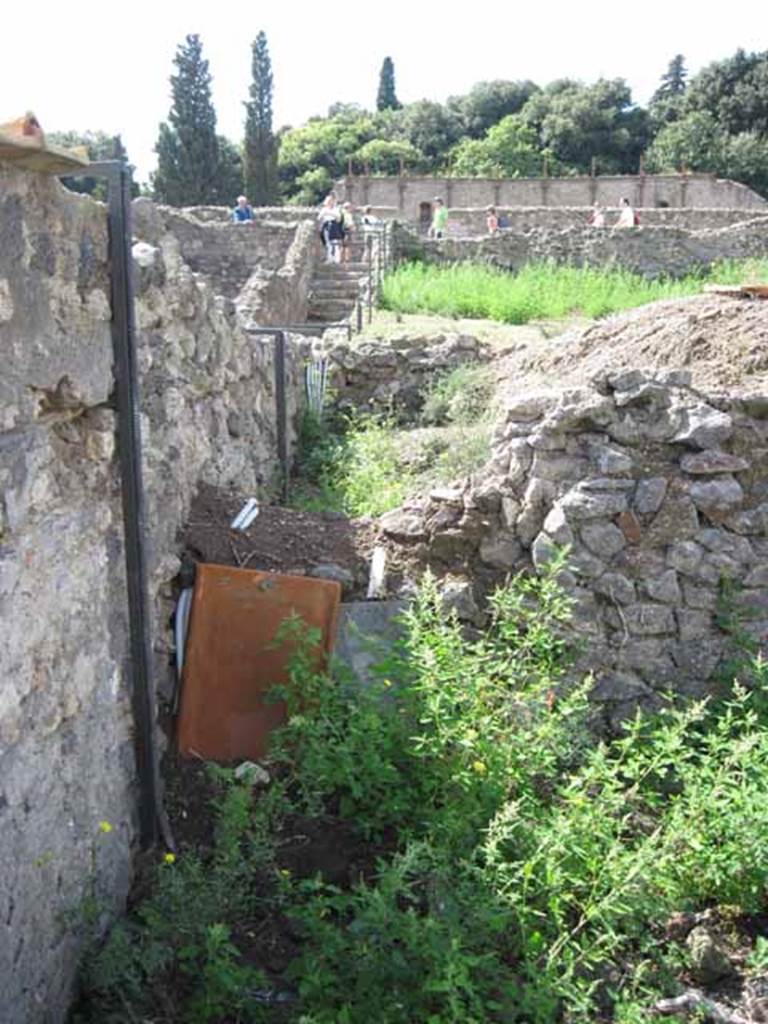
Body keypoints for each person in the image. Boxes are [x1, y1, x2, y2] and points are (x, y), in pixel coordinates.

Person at [317, 193, 343, 262]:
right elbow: (319, 218)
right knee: (328, 243)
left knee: (335, 242)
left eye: (330, 201)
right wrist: (320, 227)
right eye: (328, 201)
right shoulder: (323, 209)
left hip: (334, 226)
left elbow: (339, 219)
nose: (329, 202)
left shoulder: (336, 209)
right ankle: (330, 259)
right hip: (326, 226)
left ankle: (337, 259)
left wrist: (330, 213)